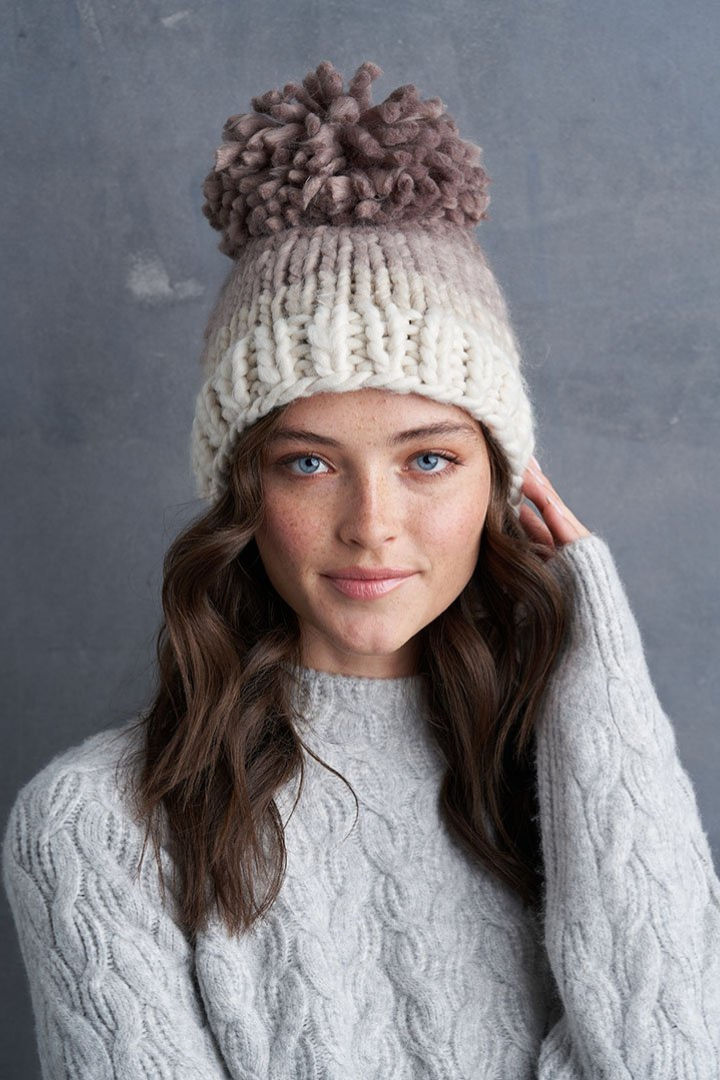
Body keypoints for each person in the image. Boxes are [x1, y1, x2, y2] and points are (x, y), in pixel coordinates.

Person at [4, 58, 720, 1079]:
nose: (372, 525)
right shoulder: (95, 828)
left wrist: (594, 655)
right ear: (242, 489)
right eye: (308, 463)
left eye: (429, 459)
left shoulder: (578, 779)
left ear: (501, 489)